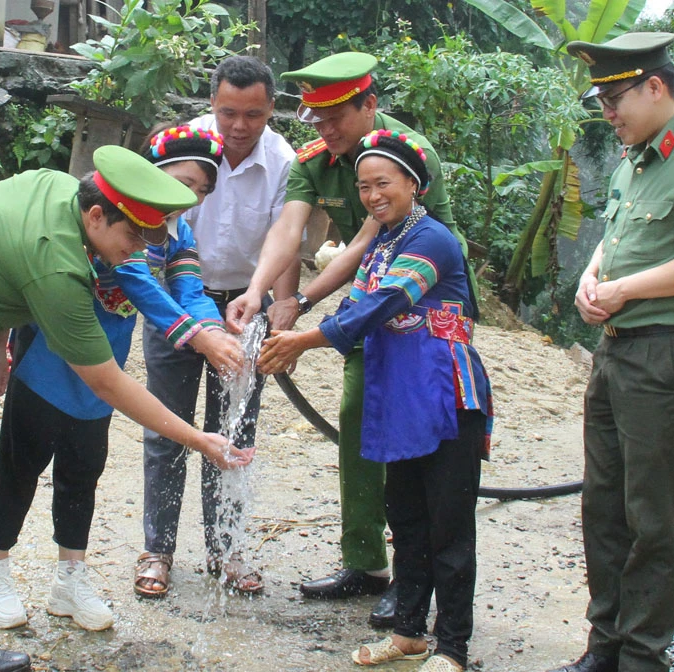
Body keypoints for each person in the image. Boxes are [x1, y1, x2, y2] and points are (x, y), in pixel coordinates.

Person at [0, 146, 253, 672]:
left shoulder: (57, 185)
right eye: (132, 236)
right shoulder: (60, 268)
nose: (136, 252)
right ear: (95, 216)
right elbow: (107, 382)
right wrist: (199, 439)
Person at [225, 51, 475, 627]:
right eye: (316, 118)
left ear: (370, 106)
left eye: (337, 116)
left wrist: (302, 309)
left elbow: (368, 242)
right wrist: (263, 291)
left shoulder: (402, 157)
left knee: (418, 439)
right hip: (370, 297)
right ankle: (366, 563)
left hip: (425, 314)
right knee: (360, 418)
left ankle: (422, 582)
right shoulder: (317, 157)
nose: (326, 129)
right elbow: (290, 228)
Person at [0, 127, 244, 631]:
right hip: (46, 361)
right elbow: (139, 283)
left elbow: (188, 288)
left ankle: (70, 579)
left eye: (198, 193)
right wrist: (200, 340)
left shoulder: (177, 233)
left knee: (83, 471)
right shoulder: (114, 217)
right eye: (180, 186)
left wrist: (213, 329)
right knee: (20, 465)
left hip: (103, 368)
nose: (181, 205)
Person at [258, 129, 492, 672]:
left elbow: (382, 305)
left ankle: (453, 648)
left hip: (446, 394)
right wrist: (295, 330)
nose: (371, 195)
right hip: (398, 393)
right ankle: (409, 633)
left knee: (450, 526)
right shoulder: (383, 243)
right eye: (363, 186)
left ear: (413, 183)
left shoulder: (432, 239)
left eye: (382, 183)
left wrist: (304, 339)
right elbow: (359, 308)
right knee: (406, 516)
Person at [553, 33, 674, 672]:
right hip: (613, 351)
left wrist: (622, 290)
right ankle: (604, 643)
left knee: (651, 515)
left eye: (615, 98)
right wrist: (592, 279)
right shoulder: (633, 159)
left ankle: (642, 657)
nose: (608, 112)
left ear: (655, 88)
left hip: (666, 353)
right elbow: (617, 237)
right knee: (602, 505)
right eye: (602, 100)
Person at [136, 55, 296, 597]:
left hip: (244, 307)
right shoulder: (185, 148)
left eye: (253, 114)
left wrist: (281, 305)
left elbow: (286, 240)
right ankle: (157, 550)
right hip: (175, 301)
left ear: (272, 109)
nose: (238, 127)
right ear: (212, 105)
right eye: (228, 112)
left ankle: (225, 548)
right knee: (166, 425)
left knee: (234, 432)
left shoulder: (284, 161)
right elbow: (156, 241)